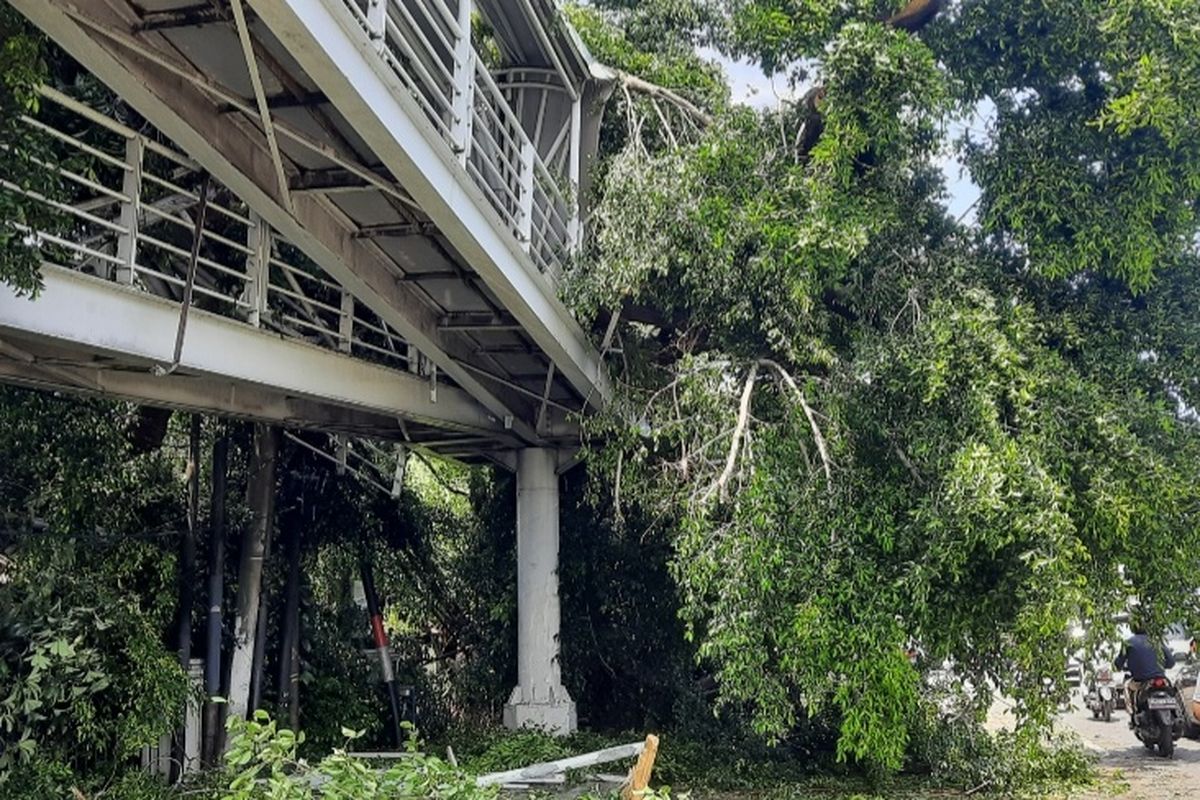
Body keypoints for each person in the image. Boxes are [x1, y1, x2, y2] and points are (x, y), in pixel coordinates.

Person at [1115, 623, 1175, 714]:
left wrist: (1121, 667)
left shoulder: (1128, 643)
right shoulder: (1157, 641)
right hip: (1161, 679)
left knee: (1127, 685)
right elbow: (1171, 662)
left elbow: (1118, 664)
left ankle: (1133, 713)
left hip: (1141, 681)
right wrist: (1161, 665)